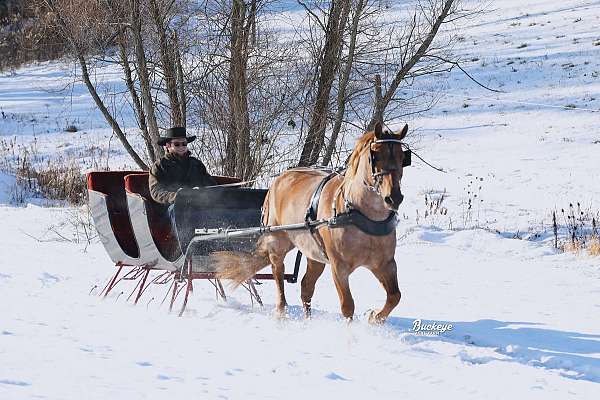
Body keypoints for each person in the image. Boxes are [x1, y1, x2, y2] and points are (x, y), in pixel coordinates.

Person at [149, 127, 217, 228]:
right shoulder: (159, 166)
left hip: (198, 204)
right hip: (173, 207)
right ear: (168, 145)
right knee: (181, 212)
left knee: (217, 210)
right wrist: (177, 196)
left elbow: (211, 184)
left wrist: (202, 193)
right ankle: (185, 242)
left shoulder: (196, 164)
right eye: (177, 144)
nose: (181, 146)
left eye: (184, 144)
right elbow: (156, 191)